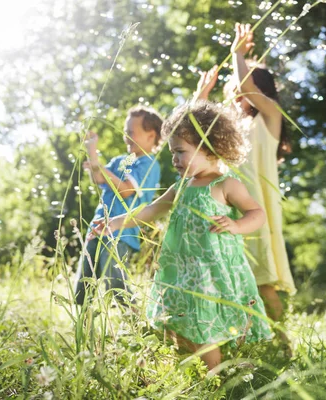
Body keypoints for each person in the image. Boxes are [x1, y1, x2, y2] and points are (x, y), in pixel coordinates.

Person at [91, 101, 272, 371]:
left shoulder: (225, 184)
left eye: (180, 152)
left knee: (206, 326)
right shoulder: (181, 186)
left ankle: (215, 379)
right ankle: (191, 372)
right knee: (179, 323)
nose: (174, 159)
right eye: (173, 152)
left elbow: (256, 213)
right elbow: (152, 210)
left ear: (209, 147)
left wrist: (236, 225)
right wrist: (117, 222)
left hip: (211, 271)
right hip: (182, 270)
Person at [195, 23, 296, 337]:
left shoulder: (270, 118)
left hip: (256, 213)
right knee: (230, 282)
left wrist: (238, 54)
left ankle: (283, 344)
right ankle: (245, 342)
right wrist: (202, 95)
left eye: (240, 91)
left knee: (262, 282)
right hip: (229, 211)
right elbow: (193, 135)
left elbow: (248, 88)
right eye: (233, 94)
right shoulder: (232, 134)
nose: (237, 97)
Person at [74, 106, 163, 306]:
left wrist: (101, 168)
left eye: (131, 133)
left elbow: (126, 190)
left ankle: (135, 322)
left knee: (116, 283)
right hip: (98, 228)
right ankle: (83, 326)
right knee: (83, 285)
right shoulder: (121, 160)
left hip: (121, 233)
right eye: (125, 132)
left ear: (150, 136)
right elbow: (98, 178)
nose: (126, 137)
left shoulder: (148, 164)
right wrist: (91, 150)